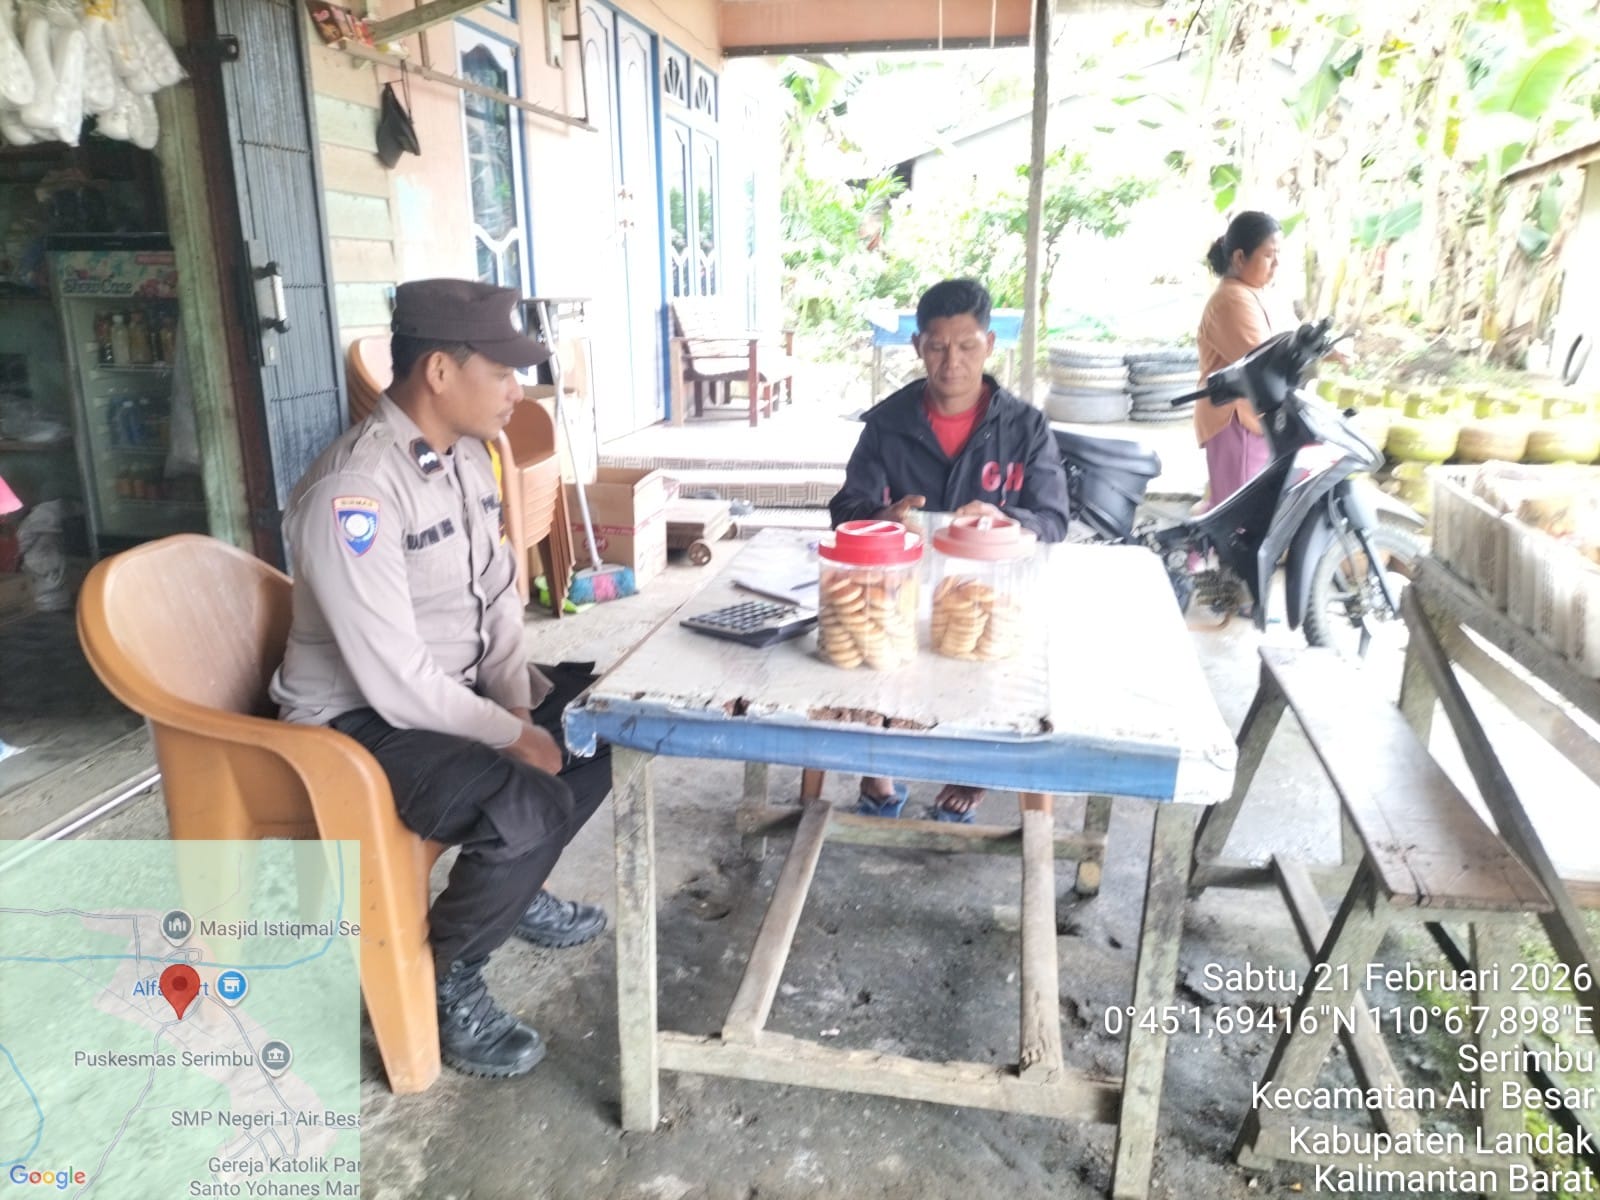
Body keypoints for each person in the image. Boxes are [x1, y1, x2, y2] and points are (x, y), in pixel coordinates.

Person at [270, 279, 610, 1079]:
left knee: (607, 725)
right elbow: (394, 682)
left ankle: (514, 888)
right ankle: (442, 980)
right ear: (439, 372)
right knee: (524, 803)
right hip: (355, 723)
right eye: (502, 371)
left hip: (440, 697)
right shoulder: (355, 492)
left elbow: (498, 603)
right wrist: (513, 736)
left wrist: (521, 710)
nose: (517, 390)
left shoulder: (465, 459)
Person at [828, 278, 1069, 822]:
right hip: (900, 585)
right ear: (918, 346)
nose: (951, 361)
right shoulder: (887, 424)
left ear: (990, 344)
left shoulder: (1025, 426)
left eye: (966, 346)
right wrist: (881, 517)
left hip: (990, 591)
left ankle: (972, 769)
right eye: (937, 346)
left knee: (991, 667)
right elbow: (845, 508)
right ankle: (878, 767)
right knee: (874, 655)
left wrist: (1007, 519)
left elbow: (1054, 519)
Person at [1195, 210, 1284, 508]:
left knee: (1234, 508)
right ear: (1239, 258)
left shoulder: (1253, 293)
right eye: (1268, 255)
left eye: (1278, 255)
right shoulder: (1231, 299)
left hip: (1251, 419)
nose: (1276, 264)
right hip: (1235, 419)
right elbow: (1265, 361)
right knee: (1239, 516)